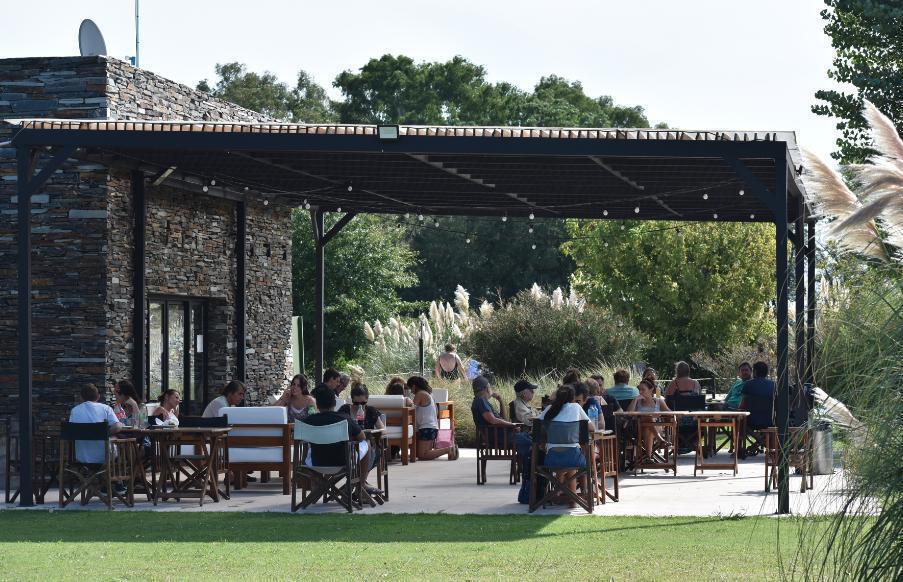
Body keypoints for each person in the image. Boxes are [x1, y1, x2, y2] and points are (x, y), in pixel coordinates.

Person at [301, 386, 379, 497]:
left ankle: (317, 485)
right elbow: (362, 437)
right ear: (334, 403)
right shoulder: (344, 419)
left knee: (309, 449)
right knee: (367, 444)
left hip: (316, 462)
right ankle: (360, 485)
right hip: (343, 462)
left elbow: (300, 439)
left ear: (317, 404)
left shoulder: (309, 420)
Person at [535, 384, 592, 506]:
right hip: (573, 458)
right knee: (572, 455)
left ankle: (559, 494)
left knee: (567, 457)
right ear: (572, 398)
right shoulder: (576, 407)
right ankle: (572, 498)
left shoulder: (550, 409)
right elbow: (591, 427)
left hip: (552, 459)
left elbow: (536, 424)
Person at [407, 376, 458, 461]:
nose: (410, 391)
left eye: (410, 388)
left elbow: (411, 409)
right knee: (422, 453)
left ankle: (449, 449)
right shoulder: (429, 394)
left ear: (414, 386)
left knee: (423, 455)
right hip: (431, 427)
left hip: (426, 428)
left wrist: (408, 401)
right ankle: (449, 450)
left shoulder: (420, 394)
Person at [69, 383, 122, 464]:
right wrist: (105, 433)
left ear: (81, 398)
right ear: (98, 397)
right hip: (105, 457)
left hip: (81, 457)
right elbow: (117, 427)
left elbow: (71, 431)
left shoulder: (74, 411)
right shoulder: (106, 408)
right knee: (117, 439)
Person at [628, 378, 672, 461]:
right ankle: (660, 440)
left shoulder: (658, 401)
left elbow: (670, 414)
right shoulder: (637, 401)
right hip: (640, 430)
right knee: (648, 420)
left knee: (649, 425)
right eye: (639, 389)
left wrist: (659, 415)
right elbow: (629, 414)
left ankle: (648, 458)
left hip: (656, 428)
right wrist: (635, 399)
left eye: (643, 389)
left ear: (651, 390)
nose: (640, 392)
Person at [739, 361, 775, 430]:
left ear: (754, 372)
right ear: (766, 372)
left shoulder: (748, 384)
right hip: (771, 421)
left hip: (750, 421)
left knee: (739, 419)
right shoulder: (774, 385)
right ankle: (763, 437)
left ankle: (741, 437)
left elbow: (742, 405)